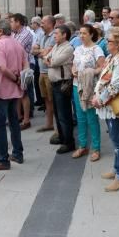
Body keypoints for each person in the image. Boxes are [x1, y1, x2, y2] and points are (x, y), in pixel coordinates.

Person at [92, 27, 119, 192]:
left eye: (109, 41)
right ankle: (117, 169)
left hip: (113, 107)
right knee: (116, 141)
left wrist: (99, 100)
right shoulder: (112, 57)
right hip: (108, 106)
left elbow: (115, 86)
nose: (106, 43)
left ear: (118, 43)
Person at [0, 19, 27, 170]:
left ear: (0, 31)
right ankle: (18, 153)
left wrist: (16, 78)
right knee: (13, 122)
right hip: (14, 89)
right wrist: (20, 79)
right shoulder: (17, 43)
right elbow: (26, 63)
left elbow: (2, 68)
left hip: (1, 89)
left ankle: (3, 159)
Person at [71, 24, 105, 162]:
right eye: (80, 33)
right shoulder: (78, 49)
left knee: (91, 117)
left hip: (90, 86)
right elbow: (74, 64)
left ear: (91, 34)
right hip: (77, 85)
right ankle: (83, 145)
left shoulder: (97, 49)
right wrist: (73, 70)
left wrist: (90, 73)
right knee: (80, 117)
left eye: (84, 33)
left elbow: (102, 67)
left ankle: (96, 148)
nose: (81, 36)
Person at [45, 24, 76, 153]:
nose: (54, 35)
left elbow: (53, 62)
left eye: (57, 33)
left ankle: (69, 142)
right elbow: (46, 58)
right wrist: (48, 59)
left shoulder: (68, 48)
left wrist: (49, 60)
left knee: (64, 114)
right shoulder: (57, 46)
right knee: (58, 113)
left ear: (64, 35)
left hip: (63, 84)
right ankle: (62, 137)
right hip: (54, 84)